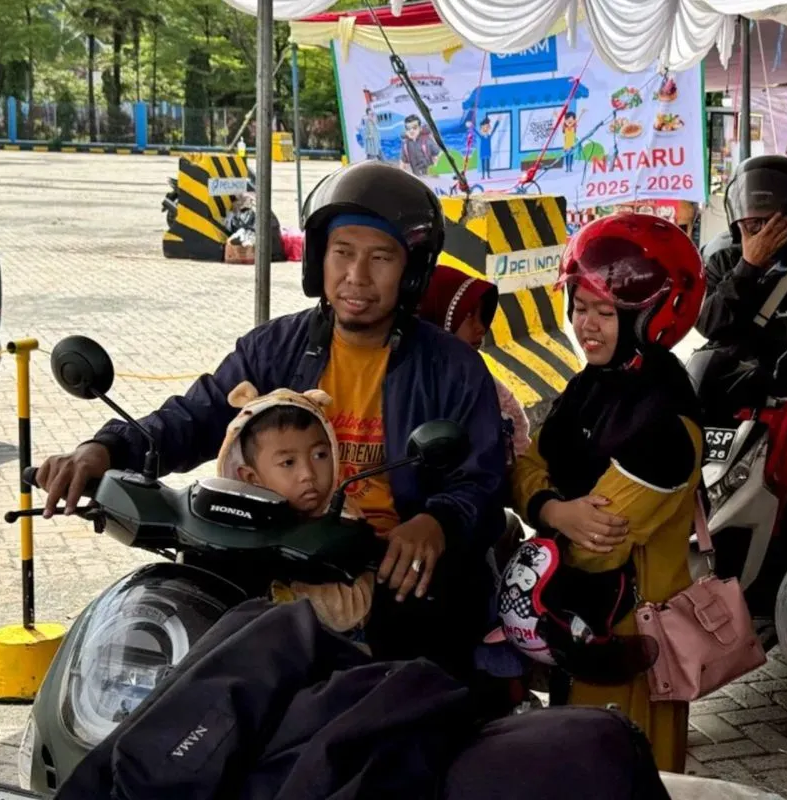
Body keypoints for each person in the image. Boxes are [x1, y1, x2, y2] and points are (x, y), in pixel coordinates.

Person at [35, 161, 507, 676]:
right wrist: (107, 449)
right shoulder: (273, 349)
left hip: (392, 579)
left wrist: (437, 522)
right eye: (342, 252)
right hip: (275, 563)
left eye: (381, 258)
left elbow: (482, 480)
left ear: (412, 271)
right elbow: (196, 415)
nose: (356, 276)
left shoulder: (453, 369)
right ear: (319, 259)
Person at [509, 213, 705, 772]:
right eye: (579, 307)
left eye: (605, 312)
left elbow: (598, 543)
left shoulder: (665, 418)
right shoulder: (590, 385)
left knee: (629, 771)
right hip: (580, 624)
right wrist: (554, 509)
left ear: (651, 318)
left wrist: (546, 509)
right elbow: (524, 465)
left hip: (633, 638)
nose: (586, 326)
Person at [217, 381, 375, 638]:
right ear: (251, 478)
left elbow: (349, 613)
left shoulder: (345, 522)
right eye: (288, 462)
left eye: (320, 455)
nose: (308, 474)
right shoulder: (237, 521)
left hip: (330, 651)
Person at [697, 154, 787, 418]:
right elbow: (709, 324)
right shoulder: (722, 263)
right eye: (754, 224)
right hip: (723, 402)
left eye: (773, 223)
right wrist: (748, 267)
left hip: (785, 405)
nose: (763, 233)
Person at [418, 265, 531, 465]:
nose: (480, 328)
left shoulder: (488, 388)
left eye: (481, 316)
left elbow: (521, 455)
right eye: (469, 315)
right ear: (440, 315)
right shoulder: (409, 387)